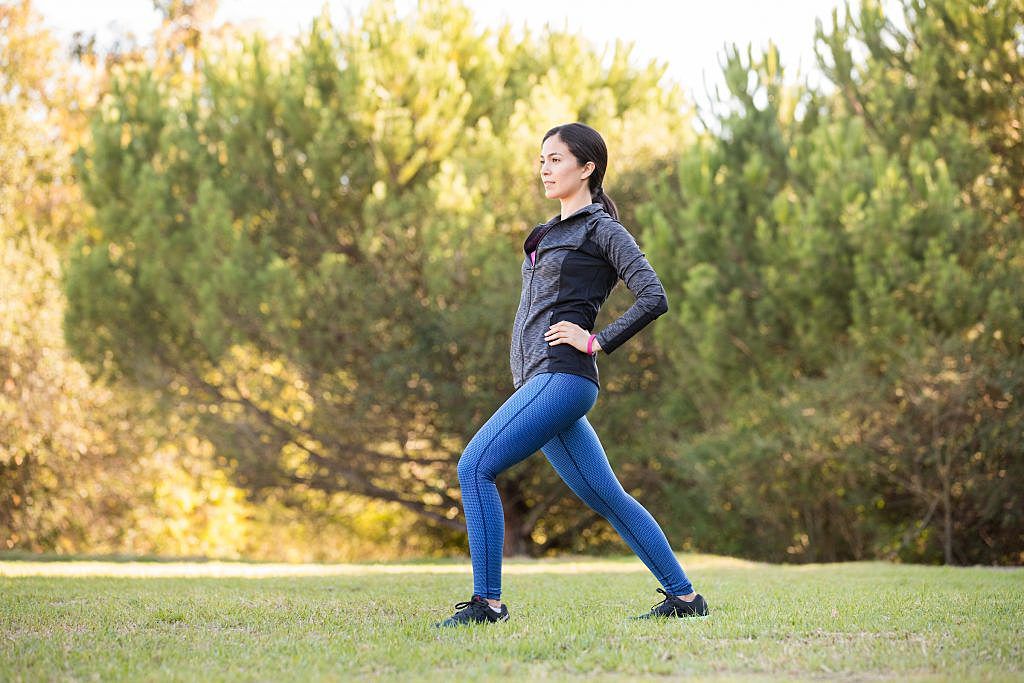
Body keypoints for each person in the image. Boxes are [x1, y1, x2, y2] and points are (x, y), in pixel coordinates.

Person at [433, 122, 708, 628]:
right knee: (606, 495)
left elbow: (654, 296)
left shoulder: (603, 229)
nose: (545, 168)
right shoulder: (546, 231)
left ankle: (487, 604)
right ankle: (685, 598)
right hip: (540, 383)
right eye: (542, 160)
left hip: (563, 378)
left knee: (474, 468)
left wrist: (597, 340)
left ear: (588, 168)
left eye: (556, 159)